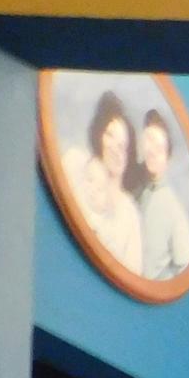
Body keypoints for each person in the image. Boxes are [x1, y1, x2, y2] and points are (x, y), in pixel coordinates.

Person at [70, 91, 142, 274]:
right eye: (110, 135)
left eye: (123, 146)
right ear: (99, 135)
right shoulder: (75, 164)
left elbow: (133, 274)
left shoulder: (129, 213)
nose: (115, 149)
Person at [134, 108, 189, 281]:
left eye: (160, 148)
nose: (152, 151)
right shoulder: (132, 187)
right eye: (149, 140)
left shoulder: (173, 210)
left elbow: (184, 269)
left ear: (167, 158)